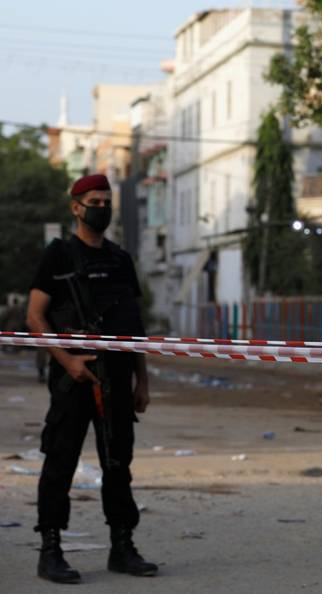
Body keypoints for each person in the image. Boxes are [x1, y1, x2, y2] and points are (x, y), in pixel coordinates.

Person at [26, 174, 157, 583]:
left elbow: (134, 328)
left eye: (106, 200)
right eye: (94, 200)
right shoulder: (59, 256)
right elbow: (34, 318)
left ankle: (122, 545)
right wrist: (67, 363)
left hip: (116, 379)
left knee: (118, 465)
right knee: (60, 463)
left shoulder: (120, 259)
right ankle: (51, 550)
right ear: (76, 207)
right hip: (75, 378)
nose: (102, 206)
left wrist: (143, 381)